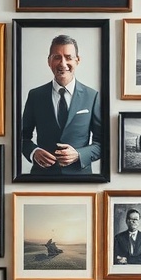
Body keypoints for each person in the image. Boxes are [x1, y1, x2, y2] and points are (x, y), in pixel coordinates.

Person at [21, 34, 102, 177]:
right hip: (41, 179)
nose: (63, 63)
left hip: (81, 180)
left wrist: (79, 154)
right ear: (49, 61)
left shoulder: (92, 96)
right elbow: (21, 138)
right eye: (57, 57)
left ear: (78, 60)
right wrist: (34, 152)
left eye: (68, 57)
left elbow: (102, 144)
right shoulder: (35, 95)